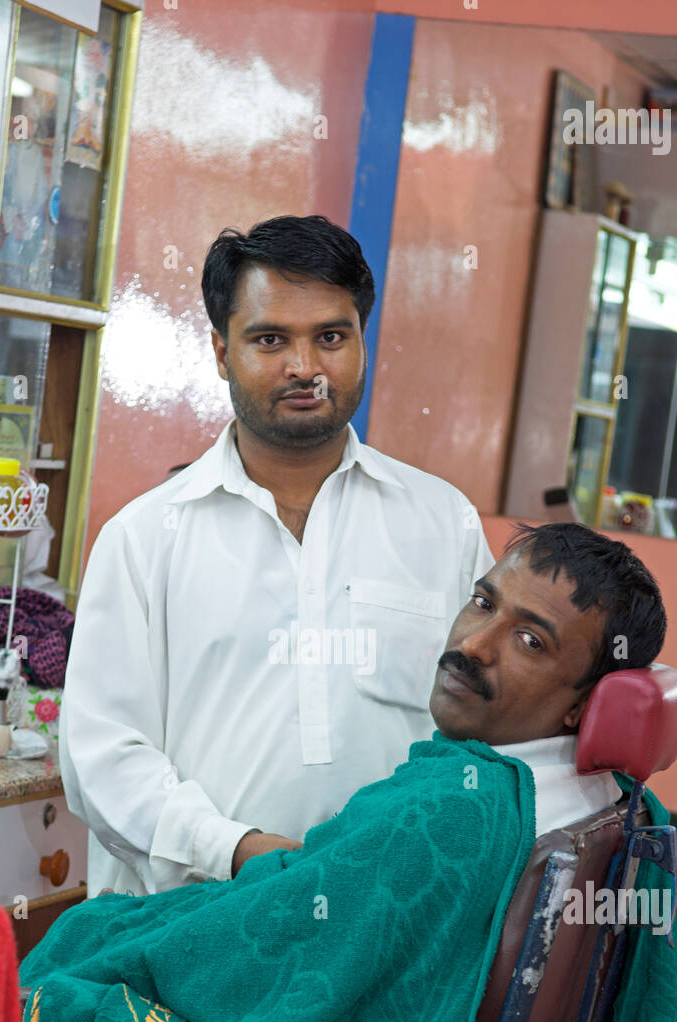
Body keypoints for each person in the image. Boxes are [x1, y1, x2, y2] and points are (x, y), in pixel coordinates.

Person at [22, 523, 677, 1022]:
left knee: (31, 1013)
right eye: (483, 604)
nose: (476, 644)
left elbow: (247, 967)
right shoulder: (616, 808)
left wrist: (95, 939)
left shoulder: (455, 808)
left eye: (531, 642)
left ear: (587, 703)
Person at [60, 214, 494, 897]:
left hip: (386, 923)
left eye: (330, 337)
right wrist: (236, 852)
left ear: (362, 343)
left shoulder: (444, 524)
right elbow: (100, 758)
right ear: (220, 351)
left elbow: (489, 729)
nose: (304, 367)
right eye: (270, 339)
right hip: (192, 928)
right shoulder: (144, 540)